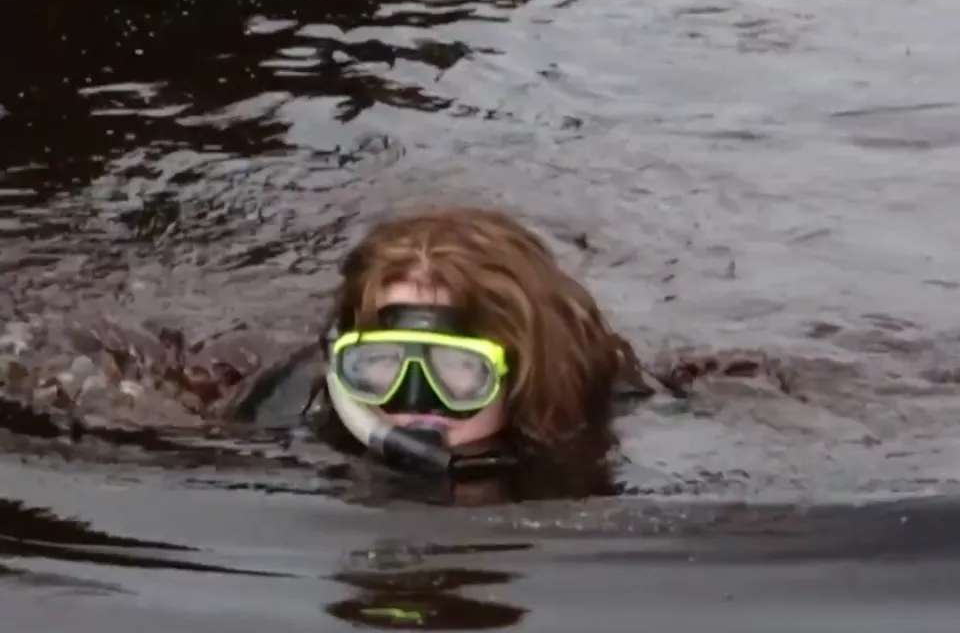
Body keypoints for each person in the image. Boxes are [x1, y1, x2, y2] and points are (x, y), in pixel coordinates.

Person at [219, 203, 790, 483]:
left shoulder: (602, 436)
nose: (414, 400)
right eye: (381, 366)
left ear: (520, 374)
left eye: (458, 371)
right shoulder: (286, 413)